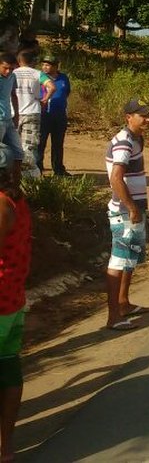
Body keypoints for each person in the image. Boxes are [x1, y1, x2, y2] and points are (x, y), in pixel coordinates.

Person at [104, 99, 149, 331]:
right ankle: (114, 316)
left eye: (148, 115)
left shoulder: (136, 139)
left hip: (132, 209)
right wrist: (131, 207)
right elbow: (116, 177)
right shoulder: (124, 142)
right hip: (125, 211)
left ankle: (123, 304)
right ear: (128, 117)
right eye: (142, 115)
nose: (147, 119)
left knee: (129, 260)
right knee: (119, 261)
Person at [0, 145, 31, 461]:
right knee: (9, 371)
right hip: (12, 299)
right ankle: (5, 447)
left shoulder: (0, 205)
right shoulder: (17, 201)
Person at [12, 50, 54, 178]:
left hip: (14, 113)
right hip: (32, 112)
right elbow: (52, 87)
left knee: (13, 144)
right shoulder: (37, 73)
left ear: (19, 61)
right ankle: (30, 176)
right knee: (29, 146)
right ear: (32, 62)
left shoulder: (12, 73)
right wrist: (45, 99)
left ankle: (14, 175)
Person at [38, 54, 71, 176]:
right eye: (43, 64)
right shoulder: (40, 78)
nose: (44, 67)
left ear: (56, 66)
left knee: (58, 144)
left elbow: (66, 92)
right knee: (40, 143)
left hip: (59, 116)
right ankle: (38, 169)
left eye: (48, 64)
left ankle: (58, 169)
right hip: (43, 115)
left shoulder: (63, 78)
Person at [0, 56, 23, 179]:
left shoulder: (12, 77)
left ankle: (15, 187)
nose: (8, 71)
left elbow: (13, 95)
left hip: (8, 119)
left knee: (18, 152)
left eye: (11, 69)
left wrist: (17, 115)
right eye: (5, 68)